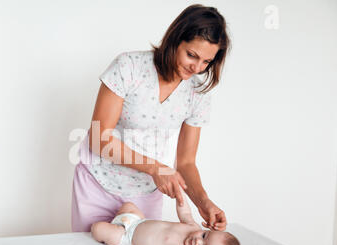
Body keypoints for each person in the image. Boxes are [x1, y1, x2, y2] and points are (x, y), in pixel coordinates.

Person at [72, 4, 231, 233]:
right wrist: (155, 168)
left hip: (145, 193)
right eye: (191, 55)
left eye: (206, 62)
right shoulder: (129, 67)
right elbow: (100, 139)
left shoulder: (197, 95)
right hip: (97, 183)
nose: (196, 67)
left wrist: (203, 201)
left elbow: (185, 163)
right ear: (175, 40)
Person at [91, 187, 241, 245]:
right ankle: (118, 221)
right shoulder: (192, 227)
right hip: (138, 220)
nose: (197, 242)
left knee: (98, 229)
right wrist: (180, 196)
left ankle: (112, 228)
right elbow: (185, 212)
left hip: (127, 238)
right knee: (127, 206)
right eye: (204, 236)